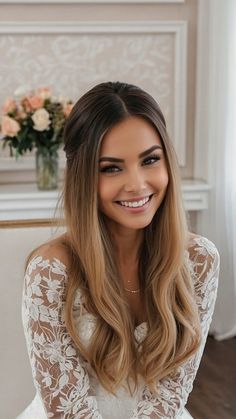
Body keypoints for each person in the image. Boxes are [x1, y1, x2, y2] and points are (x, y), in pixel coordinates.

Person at [17, 81, 220, 419]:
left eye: (150, 160)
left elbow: (170, 395)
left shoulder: (199, 260)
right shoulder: (50, 271)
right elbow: (69, 409)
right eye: (111, 167)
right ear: (82, 177)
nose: (137, 184)